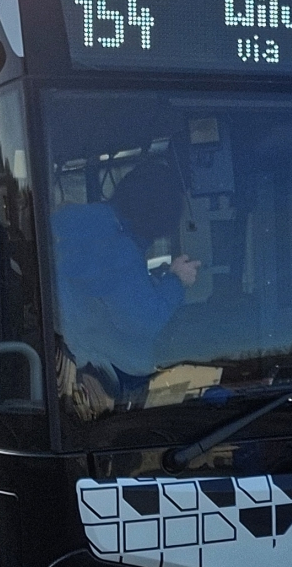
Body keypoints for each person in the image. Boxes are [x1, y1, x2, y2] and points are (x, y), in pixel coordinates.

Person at [52, 158, 200, 400]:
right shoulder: (117, 246)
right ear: (158, 213)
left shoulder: (74, 222)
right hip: (105, 376)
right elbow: (143, 321)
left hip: (66, 362)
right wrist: (176, 281)